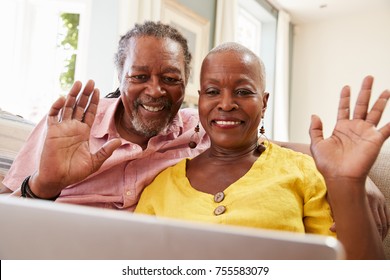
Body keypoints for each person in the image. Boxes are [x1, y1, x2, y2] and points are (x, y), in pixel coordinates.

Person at [1, 21, 388, 236]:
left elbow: (265, 146)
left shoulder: (197, 127)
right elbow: (8, 220)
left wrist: (357, 179)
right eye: (139, 76)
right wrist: (42, 187)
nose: (154, 90)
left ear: (186, 84)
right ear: (120, 76)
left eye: (169, 78)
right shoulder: (68, 129)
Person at [134, 42, 389, 259]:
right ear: (200, 99)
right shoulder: (161, 187)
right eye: (212, 92)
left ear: (264, 103)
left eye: (243, 92)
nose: (226, 104)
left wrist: (348, 183)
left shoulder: (302, 171)